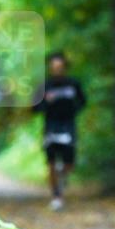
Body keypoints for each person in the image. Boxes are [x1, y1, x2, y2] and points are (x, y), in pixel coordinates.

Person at [32, 51, 87, 210]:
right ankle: (56, 196)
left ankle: (62, 177)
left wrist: (73, 110)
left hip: (68, 125)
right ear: (50, 68)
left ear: (64, 67)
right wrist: (45, 104)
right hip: (51, 126)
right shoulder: (44, 85)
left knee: (69, 162)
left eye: (60, 67)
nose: (57, 69)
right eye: (54, 67)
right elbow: (34, 107)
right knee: (51, 163)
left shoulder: (73, 83)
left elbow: (83, 101)